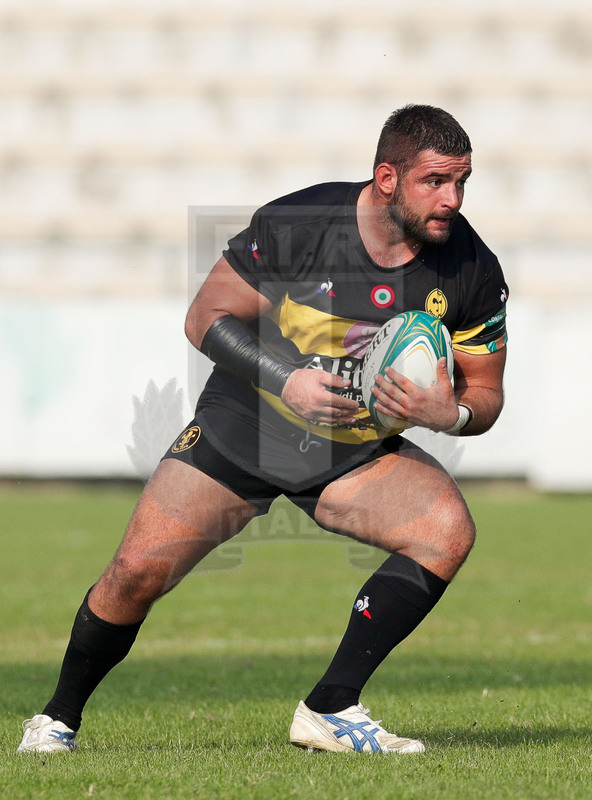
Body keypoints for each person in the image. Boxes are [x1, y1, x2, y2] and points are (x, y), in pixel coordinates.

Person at [18, 104, 508, 755]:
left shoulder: (471, 267)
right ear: (387, 178)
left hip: (351, 450)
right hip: (246, 425)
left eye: (462, 182)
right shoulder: (301, 224)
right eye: (436, 181)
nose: (453, 198)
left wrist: (453, 415)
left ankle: (330, 708)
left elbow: (487, 392)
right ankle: (56, 718)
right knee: (134, 573)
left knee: (445, 531)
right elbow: (204, 318)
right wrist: (287, 381)